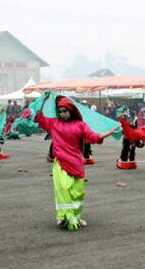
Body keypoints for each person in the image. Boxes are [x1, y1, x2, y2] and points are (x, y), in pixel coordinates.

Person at [35, 93, 118, 231]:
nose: (62, 114)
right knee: (63, 190)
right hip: (60, 164)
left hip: (75, 163)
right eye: (60, 112)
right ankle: (65, 217)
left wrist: (108, 132)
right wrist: (44, 100)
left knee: (77, 192)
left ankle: (76, 216)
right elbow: (39, 117)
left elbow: (94, 137)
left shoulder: (80, 125)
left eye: (65, 111)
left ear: (71, 111)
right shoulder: (54, 123)